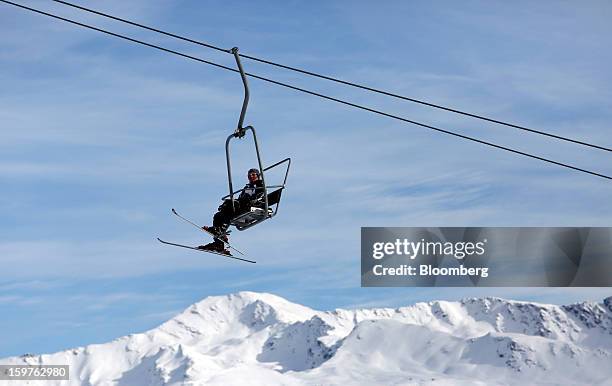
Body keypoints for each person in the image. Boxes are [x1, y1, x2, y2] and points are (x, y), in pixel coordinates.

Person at [198, 168, 265, 254]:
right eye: (249, 175)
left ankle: (218, 232)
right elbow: (242, 197)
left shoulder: (260, 185)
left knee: (230, 206)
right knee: (218, 216)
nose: (250, 176)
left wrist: (250, 199)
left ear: (258, 175)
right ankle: (219, 243)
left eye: (253, 174)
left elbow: (259, 196)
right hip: (242, 205)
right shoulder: (247, 187)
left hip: (250, 205)